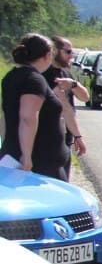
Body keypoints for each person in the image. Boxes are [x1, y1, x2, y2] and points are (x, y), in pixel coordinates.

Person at [2, 33, 86, 180]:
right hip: (38, 161)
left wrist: (8, 144)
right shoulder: (34, 79)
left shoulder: (11, 76)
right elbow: (28, 117)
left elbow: (4, 116)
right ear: (48, 55)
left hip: (27, 155)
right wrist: (26, 157)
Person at [44, 35, 90, 175]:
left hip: (65, 138)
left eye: (72, 52)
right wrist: (78, 136)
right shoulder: (44, 74)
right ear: (54, 51)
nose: (71, 56)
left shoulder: (66, 73)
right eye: (68, 52)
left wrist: (74, 84)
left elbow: (85, 97)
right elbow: (64, 109)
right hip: (47, 139)